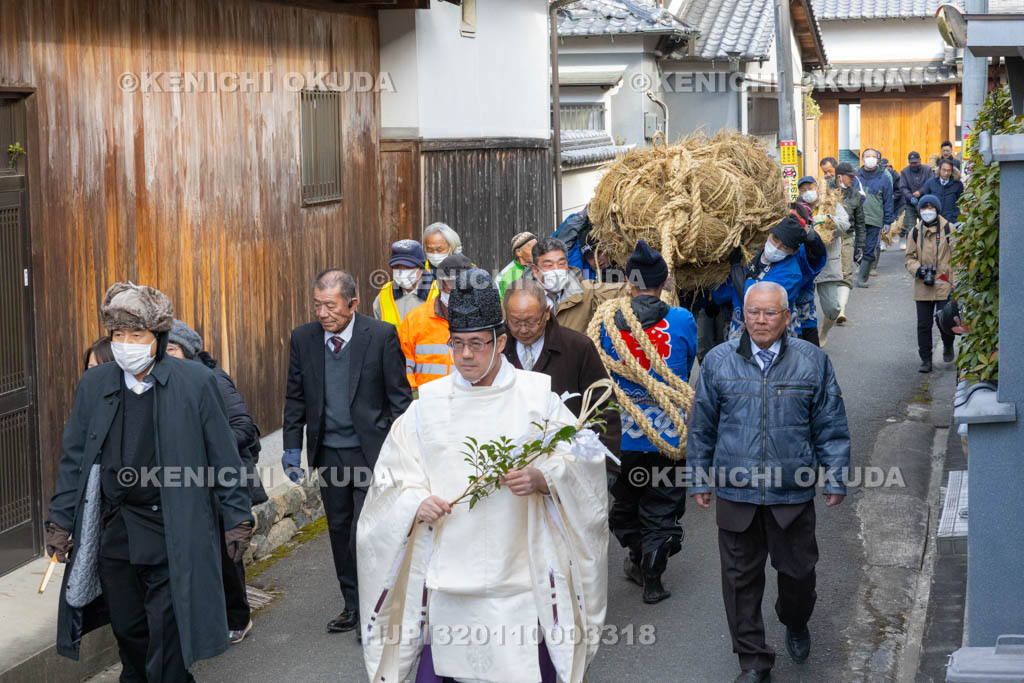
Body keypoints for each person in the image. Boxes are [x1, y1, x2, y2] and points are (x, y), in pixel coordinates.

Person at [357, 268, 608, 683]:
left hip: (521, 578)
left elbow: (584, 460)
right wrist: (415, 502)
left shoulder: (536, 398)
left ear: (501, 342)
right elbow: (392, 478)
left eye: (477, 344)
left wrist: (545, 477)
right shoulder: (428, 406)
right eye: (458, 344)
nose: (466, 355)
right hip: (449, 579)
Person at [47, 282, 254, 682]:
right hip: (116, 531)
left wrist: (237, 518)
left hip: (173, 530)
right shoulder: (95, 384)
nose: (125, 344)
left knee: (168, 635)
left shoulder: (195, 382)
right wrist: (60, 521)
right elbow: (74, 457)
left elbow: (223, 457)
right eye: (118, 335)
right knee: (129, 630)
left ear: (158, 338)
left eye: (136, 335)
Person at [688, 281, 851, 683]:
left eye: (770, 313)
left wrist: (835, 477)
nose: (760, 320)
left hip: (790, 491)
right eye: (753, 312)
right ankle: (753, 659)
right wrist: (699, 480)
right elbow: (701, 427)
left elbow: (830, 425)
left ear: (787, 316)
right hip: (736, 491)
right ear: (742, 315)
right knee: (739, 581)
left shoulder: (812, 361)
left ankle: (794, 620)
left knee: (798, 575)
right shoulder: (718, 362)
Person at [282, 269, 412, 634]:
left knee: (366, 532)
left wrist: (403, 451)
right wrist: (292, 446)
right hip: (330, 455)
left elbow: (399, 400)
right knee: (339, 531)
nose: (322, 314)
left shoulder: (381, 336)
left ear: (353, 304)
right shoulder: (303, 339)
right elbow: (295, 398)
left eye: (330, 306)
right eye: (317, 306)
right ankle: (352, 606)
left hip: (371, 454)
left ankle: (378, 610)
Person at [598, 241, 697, 604]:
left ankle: (638, 558)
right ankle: (652, 576)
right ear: (664, 281)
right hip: (667, 435)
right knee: (662, 504)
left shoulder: (607, 320)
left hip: (621, 436)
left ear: (629, 280)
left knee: (625, 503)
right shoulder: (682, 320)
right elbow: (685, 369)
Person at [166, 319, 266, 644]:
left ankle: (238, 617)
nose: (166, 356)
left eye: (172, 349)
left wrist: (207, 443)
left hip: (222, 480)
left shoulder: (211, 379)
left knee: (226, 554)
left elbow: (244, 427)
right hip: (189, 483)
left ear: (188, 350)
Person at [501, 278, 621, 463]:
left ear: (547, 313)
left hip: (566, 458)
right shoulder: (497, 348)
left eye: (531, 322)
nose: (523, 330)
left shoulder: (578, 347)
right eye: (515, 322)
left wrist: (606, 464)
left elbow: (603, 407)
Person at [730, 215, 826, 340]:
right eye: (775, 239)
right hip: (740, 329)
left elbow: (757, 298)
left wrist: (736, 268)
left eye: (784, 247)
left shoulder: (791, 273)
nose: (776, 247)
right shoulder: (752, 254)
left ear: (794, 251)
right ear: (768, 234)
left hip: (772, 334)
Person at [397, 254, 473, 389]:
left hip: (470, 402)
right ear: (440, 285)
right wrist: (417, 399)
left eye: (462, 285)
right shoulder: (415, 319)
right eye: (451, 284)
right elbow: (401, 368)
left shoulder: (482, 318)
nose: (457, 291)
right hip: (427, 402)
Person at [524, 236, 626, 334]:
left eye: (561, 264)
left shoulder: (586, 292)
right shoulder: (517, 298)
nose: (556, 270)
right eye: (548, 265)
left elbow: (620, 292)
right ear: (535, 270)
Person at [905, 194, 957, 373]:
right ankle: (925, 359)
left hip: (945, 281)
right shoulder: (915, 231)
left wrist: (955, 284)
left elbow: (958, 259)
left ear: (937, 209)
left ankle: (948, 344)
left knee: (945, 320)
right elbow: (909, 258)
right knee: (923, 325)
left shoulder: (949, 229)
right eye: (924, 208)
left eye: (931, 208)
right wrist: (918, 270)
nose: (927, 212)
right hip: (923, 283)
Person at [799, 179, 852, 347]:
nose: (808, 191)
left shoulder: (832, 205)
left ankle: (824, 331)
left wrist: (829, 219)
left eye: (810, 187)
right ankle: (805, 341)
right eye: (804, 189)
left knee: (832, 308)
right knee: (802, 308)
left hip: (827, 264)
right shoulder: (798, 208)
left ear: (817, 188)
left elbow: (845, 225)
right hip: (805, 265)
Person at [828, 163, 865, 325]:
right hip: (827, 239)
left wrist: (860, 246)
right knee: (829, 275)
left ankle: (841, 310)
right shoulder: (825, 191)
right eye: (850, 177)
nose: (852, 180)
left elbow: (860, 223)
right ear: (839, 176)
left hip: (847, 237)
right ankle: (831, 306)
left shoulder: (854, 194)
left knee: (846, 274)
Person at [372, 240, 436, 325]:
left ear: (421, 269)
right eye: (397, 267)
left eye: (408, 267)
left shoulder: (438, 293)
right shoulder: (384, 294)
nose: (402, 272)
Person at [855, 148, 894, 287]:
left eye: (873, 156)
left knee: (870, 248)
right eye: (867, 156)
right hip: (856, 219)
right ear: (862, 159)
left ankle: (862, 278)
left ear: (878, 160)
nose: (870, 158)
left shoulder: (884, 177)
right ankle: (854, 270)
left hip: (875, 219)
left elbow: (888, 200)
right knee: (856, 246)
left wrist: (888, 221)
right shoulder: (855, 176)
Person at [899, 152, 932, 251]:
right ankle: (911, 249)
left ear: (920, 160)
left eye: (916, 162)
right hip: (910, 204)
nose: (914, 165)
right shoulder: (905, 171)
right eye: (912, 163)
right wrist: (910, 196)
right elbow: (902, 187)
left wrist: (921, 192)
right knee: (910, 227)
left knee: (927, 226)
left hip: (926, 203)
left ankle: (927, 248)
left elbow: (930, 183)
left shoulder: (927, 170)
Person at [921, 159, 964, 224]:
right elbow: (925, 200)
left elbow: (961, 201)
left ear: (952, 171)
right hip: (935, 220)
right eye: (944, 170)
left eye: (949, 170)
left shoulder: (958, 184)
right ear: (939, 170)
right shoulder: (930, 182)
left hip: (952, 220)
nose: (946, 173)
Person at [497, 231, 537, 298]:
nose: (536, 251)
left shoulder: (539, 267)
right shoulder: (506, 276)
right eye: (532, 248)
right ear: (518, 252)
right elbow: (505, 306)